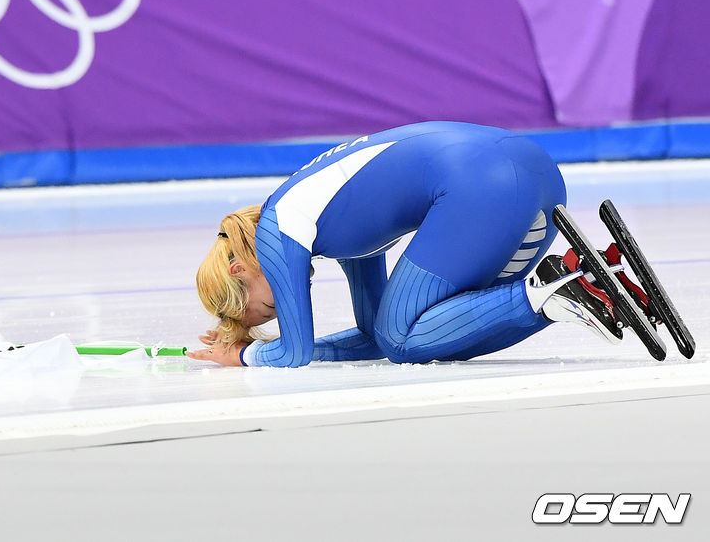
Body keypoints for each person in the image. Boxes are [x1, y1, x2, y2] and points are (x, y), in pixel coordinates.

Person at [186, 121, 623, 367]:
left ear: (239, 270)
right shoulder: (326, 223)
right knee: (441, 335)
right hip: (535, 171)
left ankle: (552, 290)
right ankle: (577, 289)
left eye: (270, 306)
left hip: (480, 183)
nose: (287, 301)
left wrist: (243, 356)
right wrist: (256, 347)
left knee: (402, 337)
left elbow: (294, 352)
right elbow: (372, 337)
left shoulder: (277, 229)